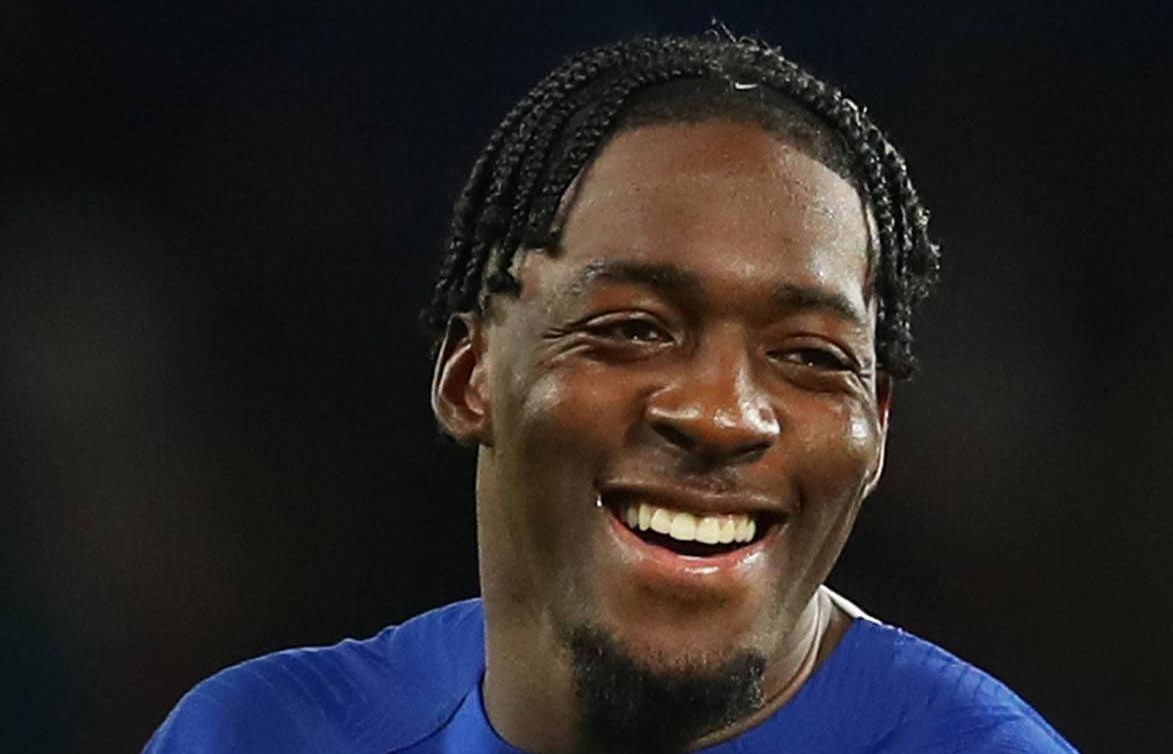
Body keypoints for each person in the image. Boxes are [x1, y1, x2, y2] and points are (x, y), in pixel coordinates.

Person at [145, 32, 1077, 754]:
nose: (720, 415)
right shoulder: (257, 736)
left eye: (809, 355)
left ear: (876, 430)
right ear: (469, 376)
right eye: (632, 329)